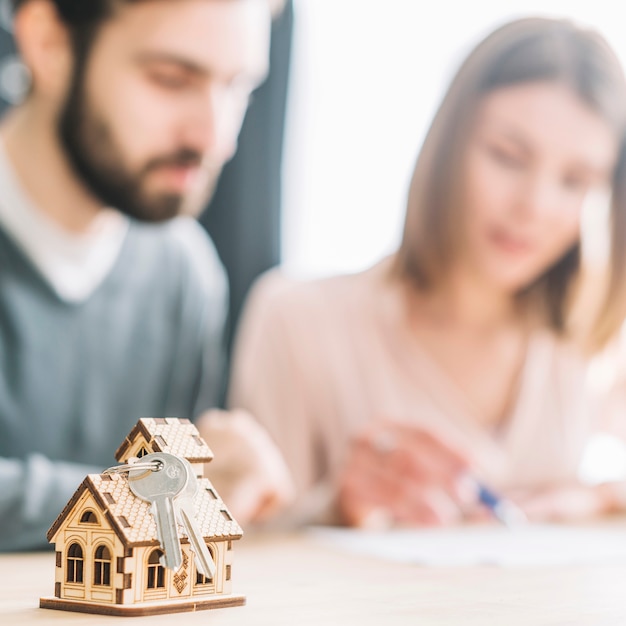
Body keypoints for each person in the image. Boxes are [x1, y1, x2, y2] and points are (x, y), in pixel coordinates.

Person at [229, 16, 626, 528]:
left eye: (576, 181)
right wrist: (333, 508)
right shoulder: (297, 320)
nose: (534, 206)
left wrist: (595, 500)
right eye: (507, 157)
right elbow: (244, 543)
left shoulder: (586, 342)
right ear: (449, 146)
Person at [0, 0, 293, 552]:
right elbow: (164, 504)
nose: (215, 138)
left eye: (238, 88)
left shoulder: (183, 272)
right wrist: (163, 496)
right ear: (48, 43)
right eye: (171, 79)